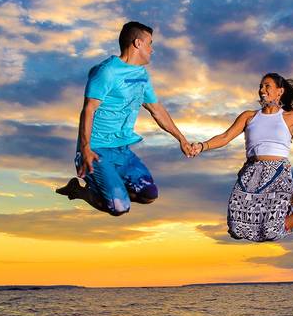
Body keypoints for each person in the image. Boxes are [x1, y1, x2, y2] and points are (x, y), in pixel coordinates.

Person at [57, 21, 195, 215]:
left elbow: (157, 110)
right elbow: (88, 110)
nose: (152, 49)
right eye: (150, 44)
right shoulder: (107, 72)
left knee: (149, 194)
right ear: (138, 43)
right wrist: (86, 148)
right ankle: (81, 190)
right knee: (120, 207)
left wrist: (182, 139)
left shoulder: (142, 75)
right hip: (96, 150)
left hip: (121, 150)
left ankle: (110, 185)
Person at [191, 73, 293, 241]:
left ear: (280, 91)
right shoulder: (249, 117)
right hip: (251, 173)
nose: (262, 90)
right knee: (236, 227)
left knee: (271, 231)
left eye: (267, 86)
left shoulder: (290, 118)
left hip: (278, 173)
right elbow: (225, 137)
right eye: (260, 86)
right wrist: (202, 146)